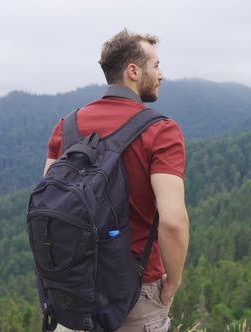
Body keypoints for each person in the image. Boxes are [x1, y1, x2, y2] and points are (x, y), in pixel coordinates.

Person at [43, 29, 189, 332]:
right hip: (135, 289)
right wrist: (173, 282)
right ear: (133, 71)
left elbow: (50, 204)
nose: (162, 74)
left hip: (73, 289)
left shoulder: (66, 127)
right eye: (156, 65)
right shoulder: (161, 131)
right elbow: (173, 221)